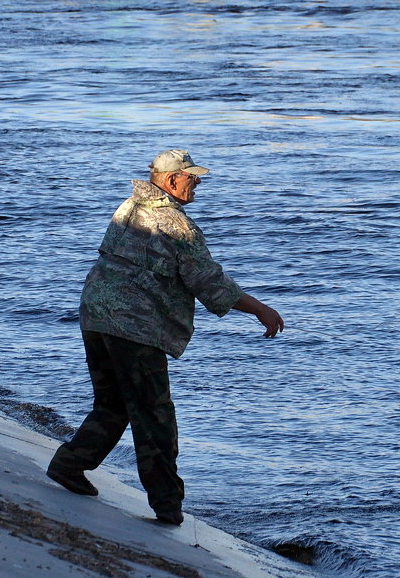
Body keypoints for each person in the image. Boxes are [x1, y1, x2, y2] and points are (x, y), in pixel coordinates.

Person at [46, 149, 285, 526]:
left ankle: (69, 464)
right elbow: (209, 282)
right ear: (172, 180)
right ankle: (167, 504)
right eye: (193, 177)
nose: (199, 182)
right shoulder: (176, 224)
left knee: (113, 403)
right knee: (153, 414)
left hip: (95, 314)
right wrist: (260, 309)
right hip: (134, 326)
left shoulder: (128, 207)